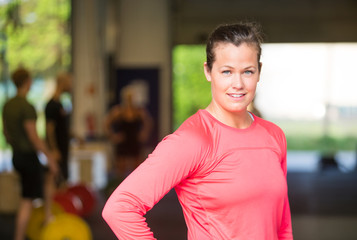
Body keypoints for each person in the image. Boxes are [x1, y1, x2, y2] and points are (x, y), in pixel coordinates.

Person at [102, 22, 293, 239]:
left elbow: (282, 224)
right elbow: (120, 208)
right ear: (208, 71)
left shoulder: (274, 136)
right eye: (227, 71)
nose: (238, 83)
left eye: (247, 71)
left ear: (259, 72)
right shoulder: (192, 140)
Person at [2, 68, 58, 240]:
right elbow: (34, 137)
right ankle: (19, 237)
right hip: (27, 157)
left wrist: (17, 146)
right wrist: (50, 157)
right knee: (27, 200)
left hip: (16, 156)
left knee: (47, 176)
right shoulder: (26, 106)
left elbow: (6, 133)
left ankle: (48, 215)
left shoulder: (8, 104)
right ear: (27, 81)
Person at [104, 85, 153, 178]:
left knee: (137, 167)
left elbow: (148, 122)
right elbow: (106, 123)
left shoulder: (138, 111)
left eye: (131, 97)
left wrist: (144, 133)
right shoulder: (119, 111)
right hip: (123, 142)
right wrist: (113, 136)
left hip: (134, 141)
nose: (129, 100)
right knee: (121, 168)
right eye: (128, 97)